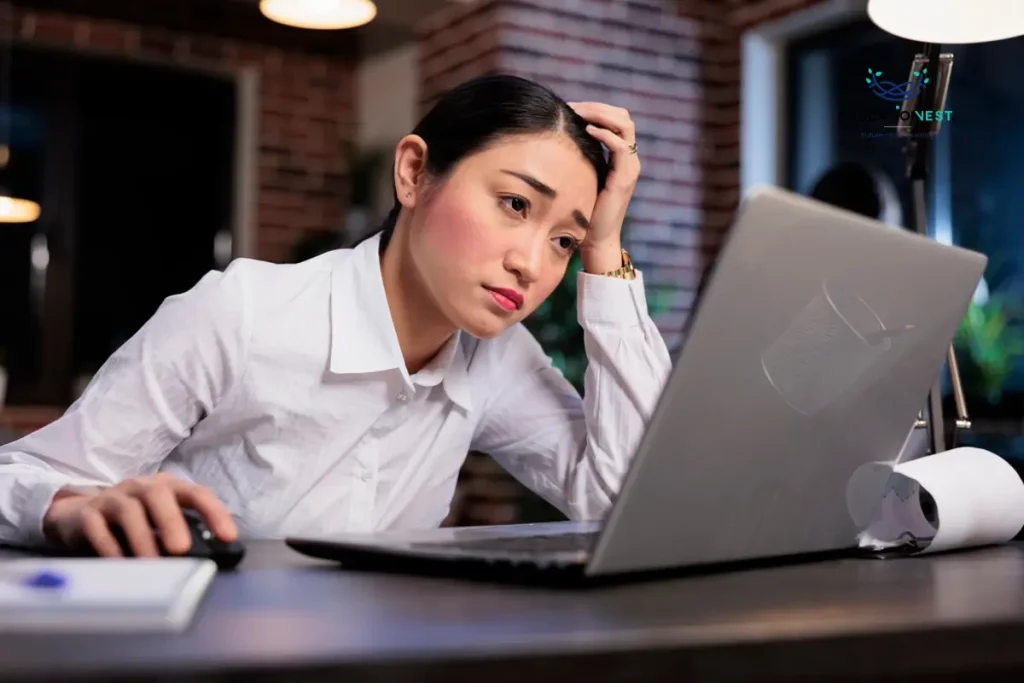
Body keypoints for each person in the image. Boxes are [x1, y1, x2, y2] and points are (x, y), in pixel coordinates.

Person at [0, 74, 672, 558]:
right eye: (516, 204)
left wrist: (604, 250)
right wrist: (71, 506)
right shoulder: (240, 313)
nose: (533, 263)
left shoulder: (495, 357)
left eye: (563, 240)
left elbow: (622, 502)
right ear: (413, 173)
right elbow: (19, 478)